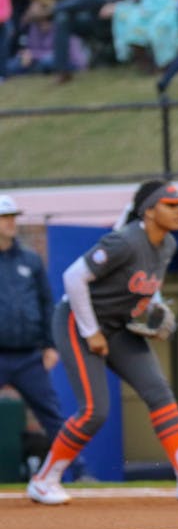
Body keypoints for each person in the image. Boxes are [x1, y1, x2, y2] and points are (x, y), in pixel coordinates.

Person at [26, 180, 178, 505]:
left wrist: (152, 307)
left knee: (160, 394)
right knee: (95, 411)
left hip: (118, 326)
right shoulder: (124, 241)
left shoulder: (167, 244)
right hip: (77, 320)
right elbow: (73, 278)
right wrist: (91, 331)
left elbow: (147, 285)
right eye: (171, 205)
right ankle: (45, 479)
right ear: (149, 210)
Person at [0, 195, 91, 483]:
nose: (12, 222)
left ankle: (76, 472)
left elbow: (45, 303)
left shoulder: (30, 259)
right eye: (6, 217)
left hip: (29, 356)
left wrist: (50, 345)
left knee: (52, 414)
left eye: (13, 216)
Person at [7, 0, 88, 76]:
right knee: (13, 64)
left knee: (47, 62)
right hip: (39, 60)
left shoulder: (61, 22)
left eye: (34, 5)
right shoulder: (33, 27)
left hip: (69, 61)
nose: (30, 8)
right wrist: (26, 54)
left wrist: (32, 55)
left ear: (44, 7)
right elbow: (31, 47)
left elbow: (58, 52)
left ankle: (33, 71)